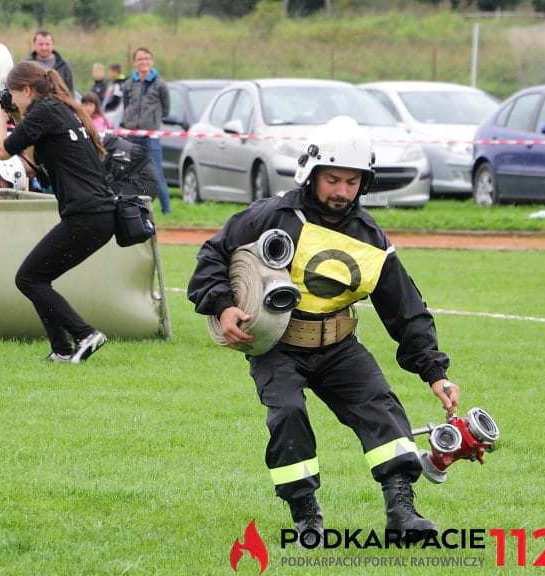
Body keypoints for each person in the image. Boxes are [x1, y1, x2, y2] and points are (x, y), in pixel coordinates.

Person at [187, 116, 459, 546]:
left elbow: (406, 309)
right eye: (332, 179)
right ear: (310, 173)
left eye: (352, 182)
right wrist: (222, 307)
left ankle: (401, 511)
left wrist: (435, 372)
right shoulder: (273, 215)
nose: (341, 192)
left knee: (382, 410)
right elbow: (213, 255)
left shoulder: (371, 239)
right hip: (277, 346)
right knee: (288, 415)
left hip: (339, 345)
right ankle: (306, 516)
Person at [0, 61, 115, 363]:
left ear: (27, 90)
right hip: (97, 215)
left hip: (87, 215)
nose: (11, 99)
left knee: (28, 278)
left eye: (13, 94)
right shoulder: (59, 110)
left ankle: (84, 333)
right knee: (38, 277)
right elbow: (30, 155)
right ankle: (61, 349)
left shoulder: (45, 111)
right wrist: (16, 113)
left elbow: (3, 151)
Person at [121, 47, 170, 214]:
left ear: (152, 61)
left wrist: (153, 121)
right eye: (140, 59)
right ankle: (132, 206)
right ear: (135, 62)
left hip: (151, 135)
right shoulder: (128, 84)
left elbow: (166, 108)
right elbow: (126, 104)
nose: (144, 62)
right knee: (130, 173)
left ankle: (166, 211)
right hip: (132, 135)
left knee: (156, 172)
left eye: (147, 59)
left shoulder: (160, 84)